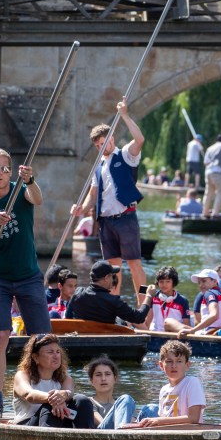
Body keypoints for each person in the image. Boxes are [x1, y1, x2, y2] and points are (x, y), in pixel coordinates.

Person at [0, 148, 51, 421]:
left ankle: (46, 393)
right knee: (0, 335)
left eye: (5, 168)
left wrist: (29, 180)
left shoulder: (20, 190)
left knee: (42, 339)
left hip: (28, 274)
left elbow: (37, 199)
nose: (1, 173)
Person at [70, 98, 147, 297]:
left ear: (112, 138)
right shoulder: (98, 167)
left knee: (134, 263)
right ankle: (114, 305)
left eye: (104, 142)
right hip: (106, 221)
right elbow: (93, 194)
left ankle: (144, 305)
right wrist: (81, 209)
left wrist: (124, 115)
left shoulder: (126, 155)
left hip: (126, 217)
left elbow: (139, 140)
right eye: (98, 146)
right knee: (113, 267)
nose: (102, 148)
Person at [11, 334, 93, 428]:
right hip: (27, 426)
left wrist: (64, 394)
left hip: (58, 423)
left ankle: (85, 439)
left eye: (58, 352)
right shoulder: (22, 375)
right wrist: (54, 399)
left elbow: (69, 393)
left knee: (82, 400)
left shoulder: (65, 378)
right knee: (49, 405)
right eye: (50, 352)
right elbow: (29, 395)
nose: (56, 356)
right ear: (35, 357)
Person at [137, 340, 206, 427]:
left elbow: (193, 418)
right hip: (168, 434)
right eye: (169, 361)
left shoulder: (192, 383)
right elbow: (163, 420)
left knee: (149, 410)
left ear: (187, 365)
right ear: (161, 365)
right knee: (148, 409)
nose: (174, 366)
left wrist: (159, 420)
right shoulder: (163, 390)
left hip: (187, 434)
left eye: (179, 361)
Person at [65, 260, 156, 327]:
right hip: (105, 340)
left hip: (83, 336)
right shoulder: (113, 301)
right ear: (106, 277)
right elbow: (139, 317)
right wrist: (149, 296)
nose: (113, 279)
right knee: (127, 322)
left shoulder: (77, 293)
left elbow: (67, 318)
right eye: (112, 276)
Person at [85, 355, 137, 429]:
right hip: (104, 435)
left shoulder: (125, 404)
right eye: (98, 375)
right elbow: (102, 424)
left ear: (115, 378)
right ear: (91, 381)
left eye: (107, 374)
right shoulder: (88, 402)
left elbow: (132, 426)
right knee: (126, 399)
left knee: (151, 408)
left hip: (124, 433)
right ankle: (120, 435)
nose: (103, 378)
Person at [179, 268, 221, 337]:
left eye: (204, 281)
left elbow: (214, 315)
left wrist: (192, 330)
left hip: (211, 333)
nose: (201, 285)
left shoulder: (209, 293)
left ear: (215, 282)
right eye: (199, 282)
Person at [146, 266, 191, 333]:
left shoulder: (183, 301)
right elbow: (147, 322)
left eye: (168, 281)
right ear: (157, 283)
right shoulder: (153, 297)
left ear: (173, 282)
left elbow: (186, 325)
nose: (164, 285)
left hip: (174, 335)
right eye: (161, 282)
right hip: (156, 334)